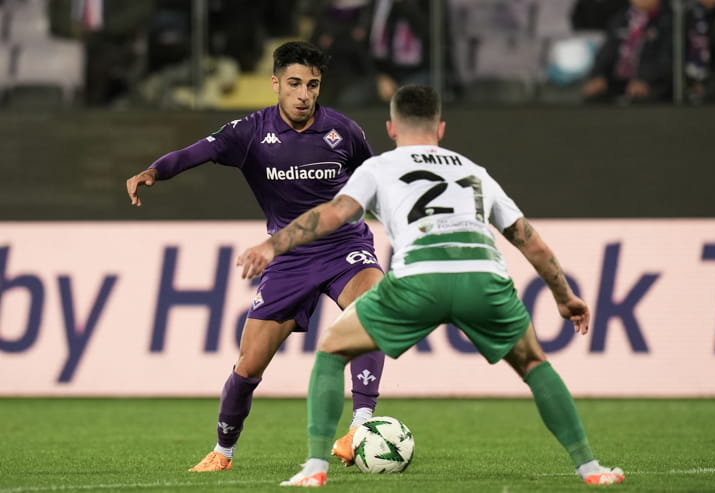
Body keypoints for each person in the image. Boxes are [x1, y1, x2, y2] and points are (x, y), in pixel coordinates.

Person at [236, 84, 626, 487]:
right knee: (534, 364)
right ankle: (591, 470)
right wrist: (565, 298)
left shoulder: (379, 167)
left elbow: (332, 215)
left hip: (419, 280)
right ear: (440, 128)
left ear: (391, 128)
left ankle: (315, 469)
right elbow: (532, 242)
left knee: (333, 350)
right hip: (484, 278)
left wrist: (272, 245)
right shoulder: (474, 171)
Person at [125, 41, 386, 472]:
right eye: (295, 84)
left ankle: (362, 426)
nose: (304, 94)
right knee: (248, 366)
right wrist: (155, 170)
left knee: (371, 311)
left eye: (313, 85)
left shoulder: (346, 131)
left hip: (346, 247)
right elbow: (197, 152)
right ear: (276, 84)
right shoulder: (250, 132)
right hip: (288, 259)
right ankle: (222, 453)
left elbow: (374, 177)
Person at [581, 0, 674, 104]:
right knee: (594, 97)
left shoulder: (669, 19)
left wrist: (645, 79)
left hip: (654, 83)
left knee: (642, 99)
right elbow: (606, 52)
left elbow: (667, 59)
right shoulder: (621, 18)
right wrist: (598, 75)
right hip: (617, 83)